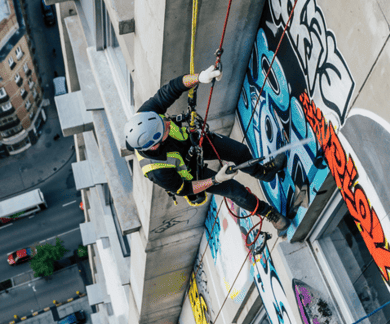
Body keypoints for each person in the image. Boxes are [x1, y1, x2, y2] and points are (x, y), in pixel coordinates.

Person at [124, 66, 291, 231]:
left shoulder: (146, 117)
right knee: (236, 191)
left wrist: (199, 77)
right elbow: (185, 188)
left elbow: (171, 88)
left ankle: (264, 173)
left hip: (194, 142)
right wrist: (215, 180)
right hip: (192, 173)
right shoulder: (156, 170)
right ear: (154, 145)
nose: (168, 122)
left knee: (240, 152)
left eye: (164, 121)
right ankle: (268, 213)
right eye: (165, 129)